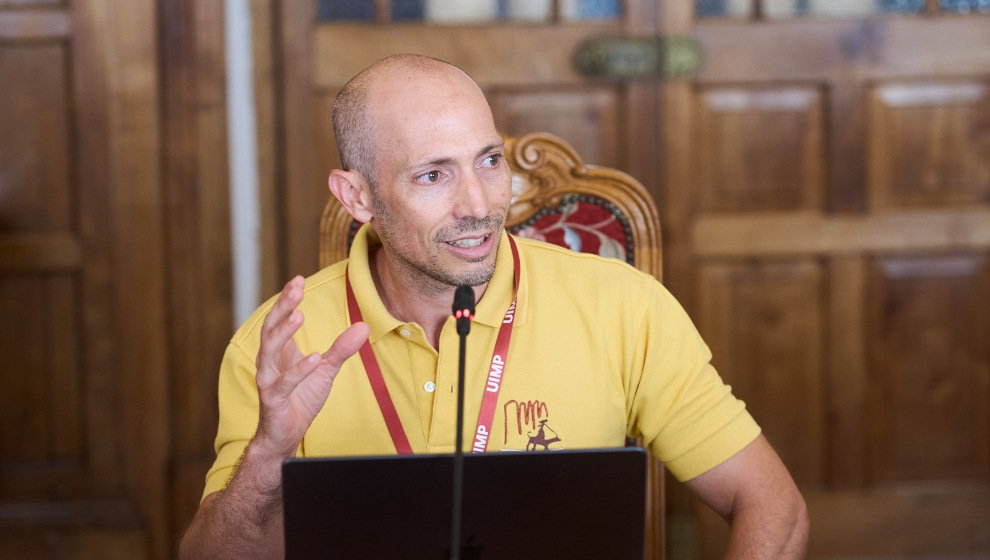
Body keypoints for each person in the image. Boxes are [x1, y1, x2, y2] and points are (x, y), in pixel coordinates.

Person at [180, 54, 809, 559]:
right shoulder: (280, 344)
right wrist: (268, 454)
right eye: (433, 175)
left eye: (488, 161)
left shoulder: (625, 307)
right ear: (358, 197)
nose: (479, 204)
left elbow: (773, 509)